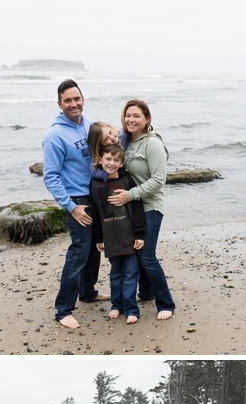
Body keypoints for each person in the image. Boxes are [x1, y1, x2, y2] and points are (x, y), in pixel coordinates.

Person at [45, 79, 106, 330]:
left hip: (94, 196)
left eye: (76, 98)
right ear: (60, 104)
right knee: (78, 252)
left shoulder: (91, 125)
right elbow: (51, 175)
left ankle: (88, 292)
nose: (73, 103)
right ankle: (63, 310)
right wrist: (70, 206)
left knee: (94, 250)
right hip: (77, 201)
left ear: (83, 99)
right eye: (68, 100)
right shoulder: (54, 136)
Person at [111, 99, 174, 321]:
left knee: (147, 256)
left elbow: (159, 180)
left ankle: (166, 303)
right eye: (128, 115)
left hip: (150, 207)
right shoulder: (125, 142)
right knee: (137, 254)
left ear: (147, 119)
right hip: (132, 209)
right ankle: (145, 292)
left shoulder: (152, 144)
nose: (131, 119)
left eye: (136, 115)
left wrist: (129, 195)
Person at [89, 143, 147, 323]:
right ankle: (117, 305)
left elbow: (138, 209)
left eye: (116, 160)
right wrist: (98, 237)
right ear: (100, 160)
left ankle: (131, 309)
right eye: (108, 159)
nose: (112, 163)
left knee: (130, 274)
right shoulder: (95, 184)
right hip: (110, 237)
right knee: (115, 274)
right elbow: (97, 213)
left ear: (121, 163)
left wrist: (139, 234)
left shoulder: (128, 181)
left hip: (129, 237)